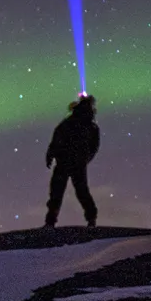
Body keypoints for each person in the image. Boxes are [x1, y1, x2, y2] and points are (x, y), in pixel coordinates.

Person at [43, 94, 101, 228]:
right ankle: (91, 219)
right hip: (76, 162)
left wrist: (50, 155)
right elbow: (94, 146)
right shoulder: (91, 126)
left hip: (65, 161)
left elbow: (57, 137)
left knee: (57, 191)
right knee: (81, 191)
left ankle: (50, 222)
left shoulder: (69, 122)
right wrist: (85, 158)